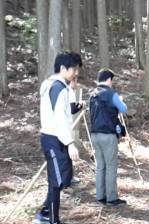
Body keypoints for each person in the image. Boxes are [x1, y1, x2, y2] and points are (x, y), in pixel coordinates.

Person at [33, 51, 83, 224]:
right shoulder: (57, 87)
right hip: (53, 138)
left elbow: (65, 112)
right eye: (73, 69)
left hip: (57, 138)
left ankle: (47, 211)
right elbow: (60, 119)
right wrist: (70, 144)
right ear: (62, 68)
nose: (75, 73)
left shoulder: (52, 85)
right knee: (57, 181)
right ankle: (51, 218)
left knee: (64, 178)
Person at [89, 69, 128, 206]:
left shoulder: (92, 94)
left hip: (94, 134)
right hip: (108, 135)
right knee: (111, 166)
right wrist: (121, 101)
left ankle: (100, 196)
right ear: (109, 80)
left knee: (100, 166)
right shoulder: (111, 94)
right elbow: (123, 109)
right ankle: (111, 198)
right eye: (112, 80)